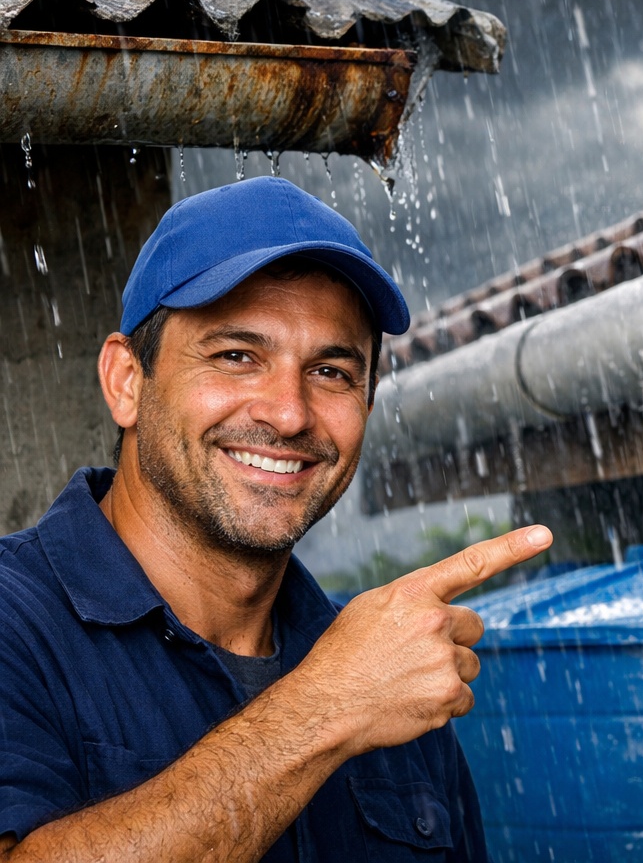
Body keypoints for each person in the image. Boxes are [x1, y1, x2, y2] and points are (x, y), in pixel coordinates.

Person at [0, 176, 550, 862]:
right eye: (237, 356)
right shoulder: (14, 625)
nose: (289, 413)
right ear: (126, 381)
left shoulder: (388, 667)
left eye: (331, 372)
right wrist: (325, 711)